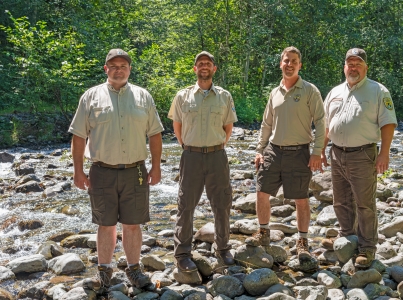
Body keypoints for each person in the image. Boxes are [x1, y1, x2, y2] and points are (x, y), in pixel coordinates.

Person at [69, 49, 164, 290]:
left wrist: (156, 166)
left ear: (130, 69)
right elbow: (79, 136)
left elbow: (155, 133)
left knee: (133, 224)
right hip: (102, 171)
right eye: (114, 65)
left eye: (123, 65)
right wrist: (78, 170)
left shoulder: (143, 97)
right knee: (106, 224)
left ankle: (134, 271)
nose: (119, 69)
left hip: (136, 171)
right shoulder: (90, 97)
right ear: (106, 69)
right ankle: (103, 274)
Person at [246, 46, 325, 261]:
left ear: (300, 65)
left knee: (301, 199)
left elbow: (320, 122)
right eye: (285, 61)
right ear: (280, 64)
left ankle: (302, 241)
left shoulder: (310, 90)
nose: (289, 64)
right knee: (262, 192)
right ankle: (263, 233)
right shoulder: (275, 92)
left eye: (293, 61)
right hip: (273, 151)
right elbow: (266, 123)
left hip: (299, 152)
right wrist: (259, 150)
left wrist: (317, 152)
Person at [320, 48, 397, 268]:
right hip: (336, 153)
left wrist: (384, 153)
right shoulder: (335, 92)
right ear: (344, 67)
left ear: (366, 67)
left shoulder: (378, 91)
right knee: (341, 200)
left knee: (365, 204)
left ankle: (367, 248)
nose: (353, 68)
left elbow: (388, 123)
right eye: (350, 63)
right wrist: (321, 150)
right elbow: (326, 125)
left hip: (363, 154)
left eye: (358, 64)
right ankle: (347, 237)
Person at [167, 51, 237, 271]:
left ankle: (223, 249)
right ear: (195, 69)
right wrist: (189, 146)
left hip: (217, 156)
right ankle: (183, 253)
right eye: (200, 64)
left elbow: (228, 128)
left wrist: (215, 146)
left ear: (214, 69)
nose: (204, 66)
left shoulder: (224, 96)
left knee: (222, 204)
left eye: (208, 63)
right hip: (191, 157)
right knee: (186, 204)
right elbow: (177, 127)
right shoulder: (182, 96)